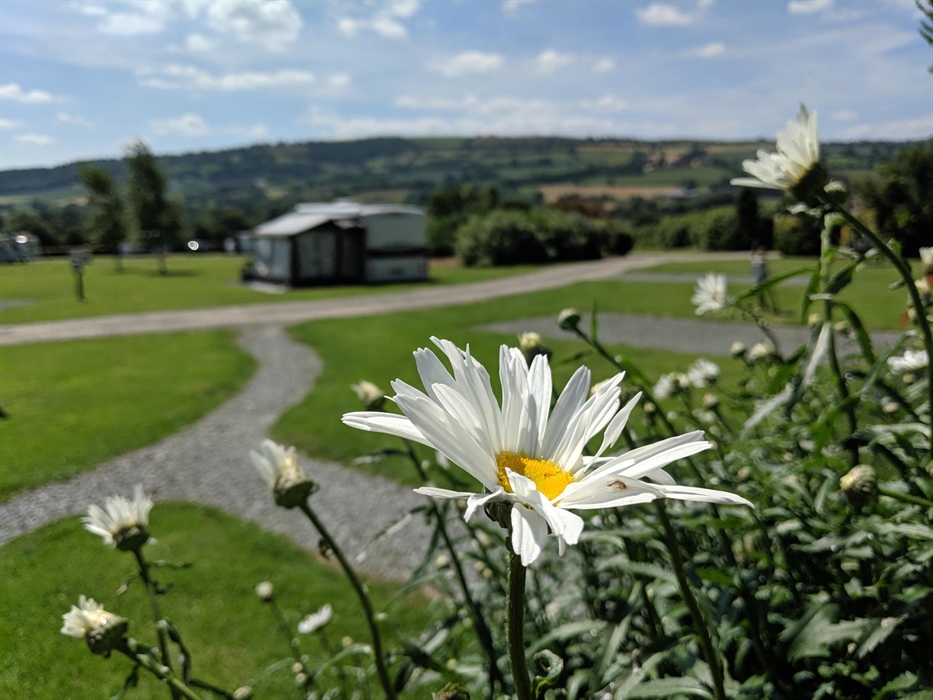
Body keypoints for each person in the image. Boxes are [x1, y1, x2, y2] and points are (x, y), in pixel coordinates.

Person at [750, 247, 779, 313]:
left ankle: (763, 306)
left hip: (758, 280)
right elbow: (765, 270)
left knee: (761, 295)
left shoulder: (755, 259)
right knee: (769, 295)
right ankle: (769, 307)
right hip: (763, 280)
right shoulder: (762, 260)